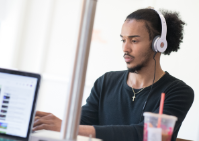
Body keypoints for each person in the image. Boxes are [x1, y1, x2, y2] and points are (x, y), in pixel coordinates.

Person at [33, 8, 194, 141]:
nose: (125, 48)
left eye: (134, 40)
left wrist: (69, 127)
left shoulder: (178, 92)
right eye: (123, 40)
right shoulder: (106, 81)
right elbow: (81, 123)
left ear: (158, 44)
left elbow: (143, 135)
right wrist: (57, 125)